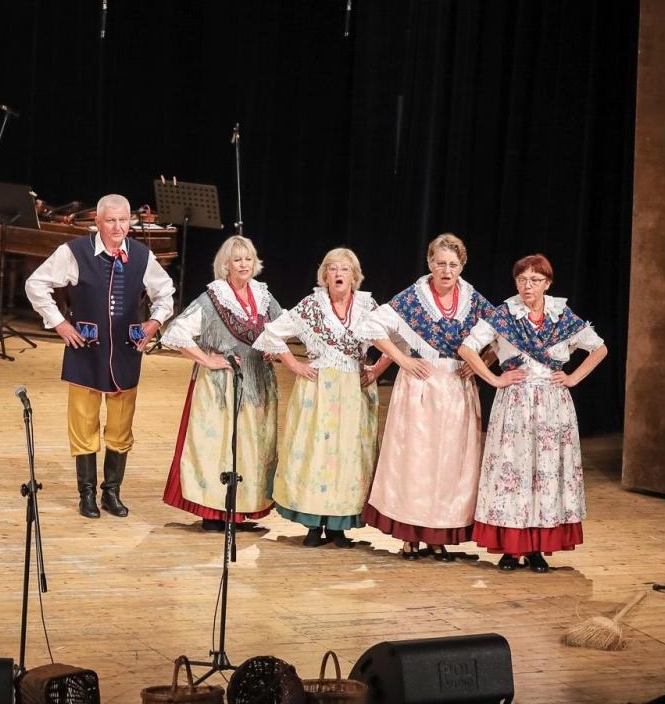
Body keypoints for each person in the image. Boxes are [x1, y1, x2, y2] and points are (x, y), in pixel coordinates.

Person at [24, 193, 176, 519]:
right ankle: (87, 494)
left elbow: (165, 293)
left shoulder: (140, 255)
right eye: (111, 220)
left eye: (123, 220)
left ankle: (112, 493)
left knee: (121, 427)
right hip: (85, 351)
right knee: (83, 424)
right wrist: (60, 324)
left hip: (125, 351)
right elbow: (36, 284)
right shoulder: (75, 252)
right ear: (98, 223)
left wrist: (154, 322)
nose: (118, 227)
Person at [458, 254, 608, 572]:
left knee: (545, 475)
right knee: (513, 474)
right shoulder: (504, 316)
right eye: (522, 279)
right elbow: (467, 348)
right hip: (514, 404)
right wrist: (495, 379)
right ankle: (511, 549)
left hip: (553, 407)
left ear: (547, 284)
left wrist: (573, 378)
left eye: (535, 280)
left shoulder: (560, 316)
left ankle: (536, 548)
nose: (528, 286)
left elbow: (599, 347)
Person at [361, 233, 490, 561]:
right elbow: (371, 326)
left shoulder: (472, 300)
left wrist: (480, 364)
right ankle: (410, 536)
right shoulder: (414, 298)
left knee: (449, 464)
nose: (446, 270)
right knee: (415, 461)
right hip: (420, 385)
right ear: (430, 264)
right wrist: (402, 360)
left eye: (453, 264)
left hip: (457, 389)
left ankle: (438, 535)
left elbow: (501, 335)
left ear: (461, 266)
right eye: (440, 263)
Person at [253, 247, 390, 547]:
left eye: (344, 269)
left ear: (355, 276)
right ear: (324, 276)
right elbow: (271, 335)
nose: (338, 274)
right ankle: (314, 524)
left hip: (354, 390)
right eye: (332, 269)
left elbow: (398, 339)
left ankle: (339, 526)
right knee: (315, 454)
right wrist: (295, 365)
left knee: (348, 456)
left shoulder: (368, 306)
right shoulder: (312, 306)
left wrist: (378, 369)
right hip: (318, 392)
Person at [160, 236, 282, 532]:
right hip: (220, 387)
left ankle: (239, 510)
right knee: (218, 446)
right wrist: (207, 359)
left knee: (250, 446)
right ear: (225, 265)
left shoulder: (262, 296)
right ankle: (213, 512)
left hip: (255, 382)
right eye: (237, 260)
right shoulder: (213, 298)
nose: (243, 264)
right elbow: (174, 333)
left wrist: (274, 348)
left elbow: (284, 327)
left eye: (248, 259)